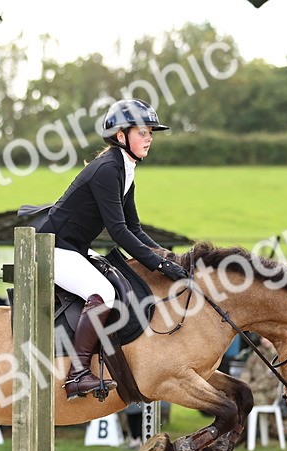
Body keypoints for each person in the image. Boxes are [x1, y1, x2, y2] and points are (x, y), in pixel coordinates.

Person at [37, 98, 189, 400]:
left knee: (120, 282)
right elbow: (118, 231)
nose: (149, 138)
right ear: (121, 136)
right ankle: (77, 374)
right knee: (104, 293)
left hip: (74, 249)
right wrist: (159, 266)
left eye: (150, 133)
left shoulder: (125, 168)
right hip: (53, 249)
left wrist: (167, 257)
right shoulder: (108, 169)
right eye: (142, 132)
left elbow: (135, 227)